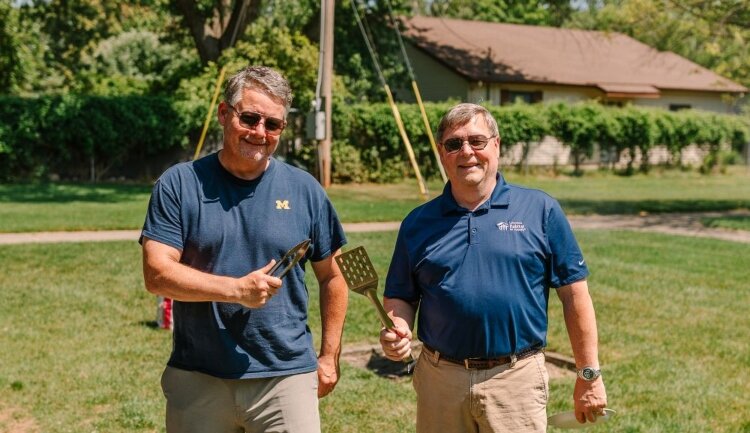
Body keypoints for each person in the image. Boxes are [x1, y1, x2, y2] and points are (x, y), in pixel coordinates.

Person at [140, 65, 348, 433]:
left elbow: (333, 274)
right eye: (250, 118)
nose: (260, 133)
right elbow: (157, 274)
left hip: (285, 376)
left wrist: (329, 357)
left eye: (273, 124)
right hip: (199, 375)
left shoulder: (305, 189)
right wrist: (236, 290)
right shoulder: (180, 183)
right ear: (224, 114)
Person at [379, 103, 607, 433]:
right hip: (440, 380)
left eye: (477, 141)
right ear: (442, 153)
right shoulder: (418, 223)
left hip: (515, 379)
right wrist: (397, 326)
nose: (466, 152)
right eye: (455, 144)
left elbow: (575, 297)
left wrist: (588, 375)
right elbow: (400, 295)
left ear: (496, 145)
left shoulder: (540, 210)